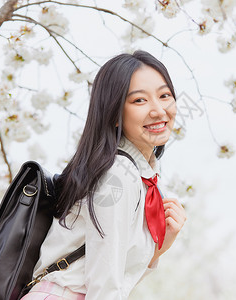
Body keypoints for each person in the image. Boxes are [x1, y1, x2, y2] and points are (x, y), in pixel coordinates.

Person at [21, 50, 186, 300]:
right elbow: (104, 286)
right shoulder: (117, 174)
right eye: (139, 100)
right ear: (115, 113)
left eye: (164, 96)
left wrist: (160, 247)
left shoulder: (133, 175)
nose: (159, 110)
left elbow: (115, 278)